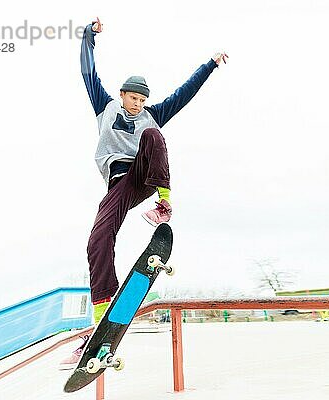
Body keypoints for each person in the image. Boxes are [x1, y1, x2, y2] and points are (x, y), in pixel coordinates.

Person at [59, 17, 228, 369]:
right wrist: (88, 37)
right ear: (122, 95)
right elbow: (87, 71)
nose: (137, 105)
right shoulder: (105, 107)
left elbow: (185, 92)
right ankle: (103, 313)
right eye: (132, 98)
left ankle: (164, 203)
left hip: (145, 177)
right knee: (97, 240)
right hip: (117, 186)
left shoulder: (153, 115)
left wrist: (209, 65)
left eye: (141, 100)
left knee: (154, 136)